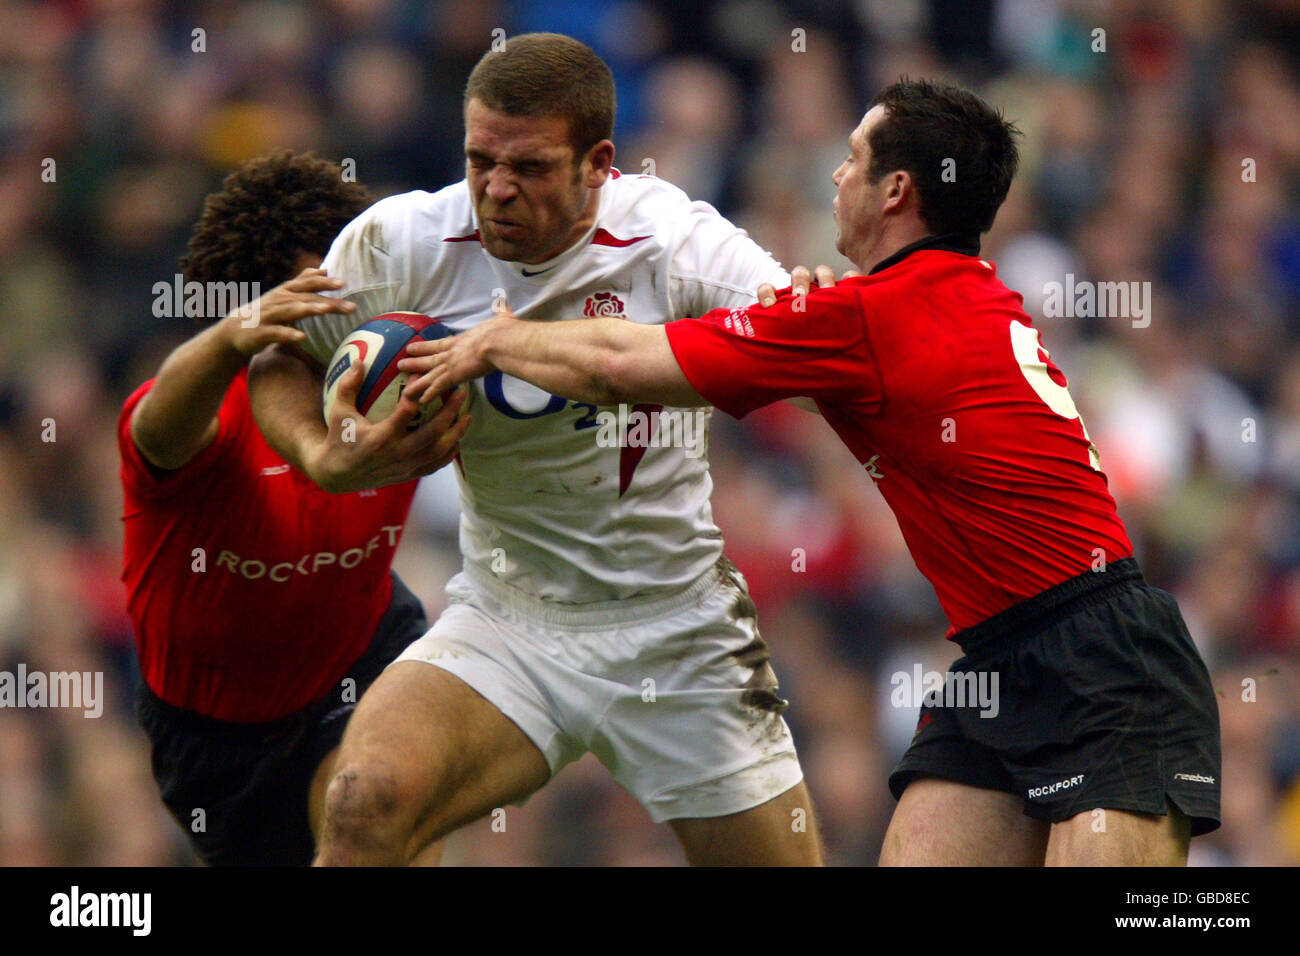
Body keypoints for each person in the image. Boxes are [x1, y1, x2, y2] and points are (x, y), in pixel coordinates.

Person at [407, 78, 1223, 866]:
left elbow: (625, 360)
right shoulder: (949, 295)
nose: (836, 174)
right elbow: (794, 342)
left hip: (1108, 662)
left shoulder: (869, 316)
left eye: (852, 158)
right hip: (999, 662)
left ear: (896, 189)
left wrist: (494, 340)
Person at [248, 33, 821, 866]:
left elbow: (798, 328)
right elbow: (272, 354)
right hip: (509, 617)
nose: (497, 190)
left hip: (677, 627)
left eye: (530, 168)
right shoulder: (403, 244)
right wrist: (319, 453)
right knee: (363, 802)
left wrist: (802, 304)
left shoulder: (675, 241)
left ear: (599, 163)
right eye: (480, 160)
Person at [118, 151, 463, 866]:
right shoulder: (204, 419)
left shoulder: (398, 373)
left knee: (378, 801)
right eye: (316, 291)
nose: (348, 303)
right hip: (217, 741)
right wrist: (227, 338)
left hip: (363, 650)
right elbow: (158, 423)